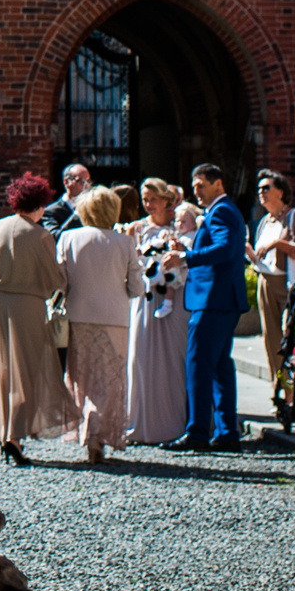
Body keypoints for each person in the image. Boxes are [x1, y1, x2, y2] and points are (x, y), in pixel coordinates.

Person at [0, 171, 72, 464]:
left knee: (2, 371)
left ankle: (2, 433)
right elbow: (54, 281)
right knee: (27, 373)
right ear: (39, 204)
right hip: (28, 306)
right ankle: (15, 438)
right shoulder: (40, 235)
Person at [56, 186, 141, 463]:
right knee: (111, 380)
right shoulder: (124, 242)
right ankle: (99, 435)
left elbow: (60, 283)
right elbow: (137, 288)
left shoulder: (68, 237)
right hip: (115, 318)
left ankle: (88, 430)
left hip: (79, 316)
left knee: (83, 378)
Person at [168, 162, 249, 451]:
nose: (197, 192)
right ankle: (227, 433)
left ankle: (198, 432)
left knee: (198, 365)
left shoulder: (222, 210)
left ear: (218, 183)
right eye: (194, 187)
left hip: (214, 299)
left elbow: (225, 249)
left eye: (201, 185)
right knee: (219, 368)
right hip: (221, 298)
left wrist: (185, 258)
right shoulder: (220, 210)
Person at [124, 179, 189, 445]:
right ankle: (142, 423)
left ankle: (177, 423)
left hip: (174, 297)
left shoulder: (180, 226)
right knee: (142, 356)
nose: (148, 204)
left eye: (153, 199)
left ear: (165, 200)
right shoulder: (137, 228)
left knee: (175, 358)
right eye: (145, 199)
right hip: (145, 298)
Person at [249, 169, 295, 379]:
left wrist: (278, 243)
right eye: (259, 189)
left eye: (266, 188)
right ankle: (280, 388)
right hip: (266, 281)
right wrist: (247, 252)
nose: (261, 192)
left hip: (289, 284)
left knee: (293, 337)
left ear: (280, 192)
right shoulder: (264, 222)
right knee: (270, 339)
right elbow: (261, 259)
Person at [39, 162, 90, 239]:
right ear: (66, 182)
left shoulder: (91, 208)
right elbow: (55, 237)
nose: (86, 186)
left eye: (88, 182)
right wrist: (76, 215)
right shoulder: (50, 212)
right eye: (81, 181)